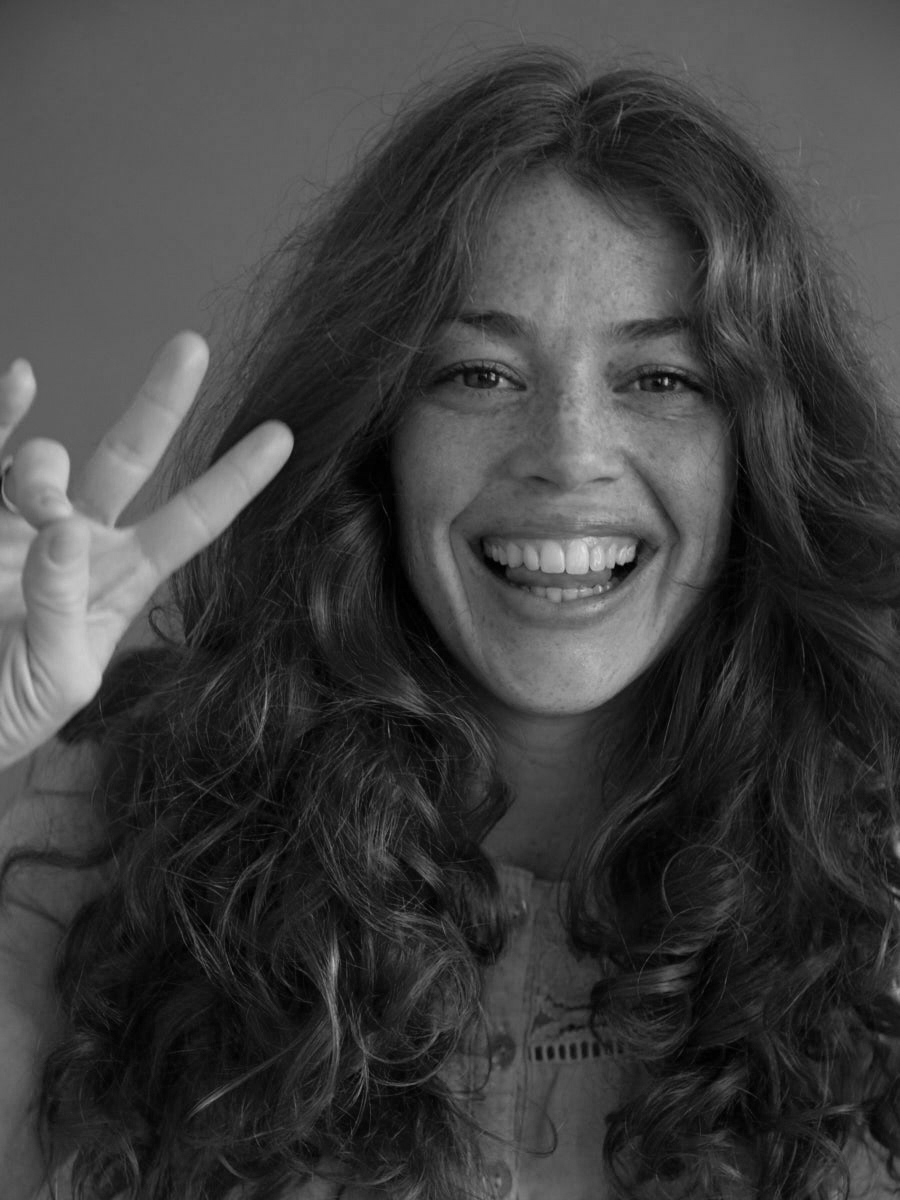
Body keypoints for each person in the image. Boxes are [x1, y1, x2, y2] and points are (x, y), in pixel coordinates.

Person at [0, 44, 898, 1200]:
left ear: (761, 450)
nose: (568, 455)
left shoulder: (875, 882)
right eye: (477, 374)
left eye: (662, 380)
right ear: (380, 436)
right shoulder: (108, 835)